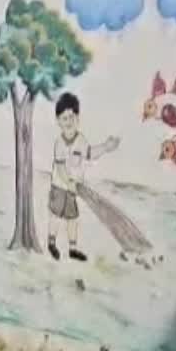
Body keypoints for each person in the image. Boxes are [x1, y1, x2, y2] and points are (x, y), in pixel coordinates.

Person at [48, 92, 119, 261]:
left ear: (77, 118)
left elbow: (90, 153)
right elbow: (59, 167)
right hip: (59, 187)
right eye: (64, 118)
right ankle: (51, 243)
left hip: (73, 188)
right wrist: (68, 182)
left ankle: (73, 249)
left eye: (72, 117)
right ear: (58, 121)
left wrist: (106, 147)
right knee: (56, 216)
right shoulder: (59, 143)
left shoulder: (81, 140)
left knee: (72, 218)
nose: (69, 121)